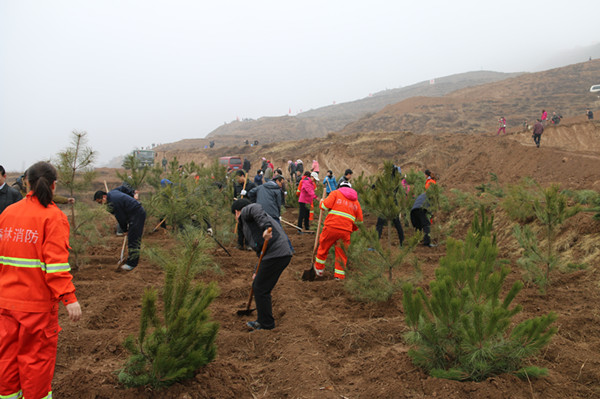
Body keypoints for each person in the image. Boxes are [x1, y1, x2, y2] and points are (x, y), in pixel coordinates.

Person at [0, 161, 82, 399]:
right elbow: (55, 266)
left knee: (6, 358)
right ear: (53, 185)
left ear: (26, 183)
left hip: (5, 304)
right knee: (35, 362)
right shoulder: (52, 217)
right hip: (35, 308)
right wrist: (69, 298)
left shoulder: (8, 213)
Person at [231, 199, 293, 330]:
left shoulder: (248, 210)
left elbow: (256, 208)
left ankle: (266, 324)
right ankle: (265, 321)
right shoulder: (249, 223)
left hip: (277, 253)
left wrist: (266, 228)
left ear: (237, 212)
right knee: (260, 286)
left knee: (260, 288)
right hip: (276, 254)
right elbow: (261, 250)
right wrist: (256, 270)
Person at [314, 181, 363, 280]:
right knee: (341, 253)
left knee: (323, 248)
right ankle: (339, 276)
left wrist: (321, 202)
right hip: (345, 231)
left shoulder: (335, 193)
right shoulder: (356, 202)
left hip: (331, 227)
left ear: (340, 187)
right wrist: (351, 228)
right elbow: (359, 221)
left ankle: (319, 271)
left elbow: (324, 206)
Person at [94, 185, 147, 271]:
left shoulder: (114, 202)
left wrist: (125, 230)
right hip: (133, 213)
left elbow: (121, 218)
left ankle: (132, 264)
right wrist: (132, 193)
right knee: (132, 237)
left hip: (137, 213)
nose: (100, 205)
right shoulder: (112, 192)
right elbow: (122, 188)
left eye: (100, 202)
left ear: (104, 197)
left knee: (133, 239)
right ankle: (132, 260)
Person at [233, 170, 256, 250]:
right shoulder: (237, 186)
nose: (237, 180)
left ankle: (248, 244)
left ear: (243, 176)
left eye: (238, 178)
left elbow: (254, 196)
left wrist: (247, 193)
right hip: (239, 210)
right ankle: (240, 244)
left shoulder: (251, 185)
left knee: (248, 227)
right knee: (240, 227)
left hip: (248, 209)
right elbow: (234, 195)